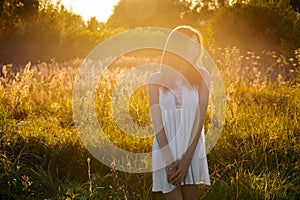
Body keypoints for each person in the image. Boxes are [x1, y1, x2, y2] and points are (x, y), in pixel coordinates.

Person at [148, 25, 211, 200]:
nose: (194, 49)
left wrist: (187, 159)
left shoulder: (203, 76)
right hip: (165, 150)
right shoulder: (155, 79)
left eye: (196, 44)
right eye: (189, 44)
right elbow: (157, 124)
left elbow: (200, 119)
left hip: (192, 148)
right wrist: (168, 161)